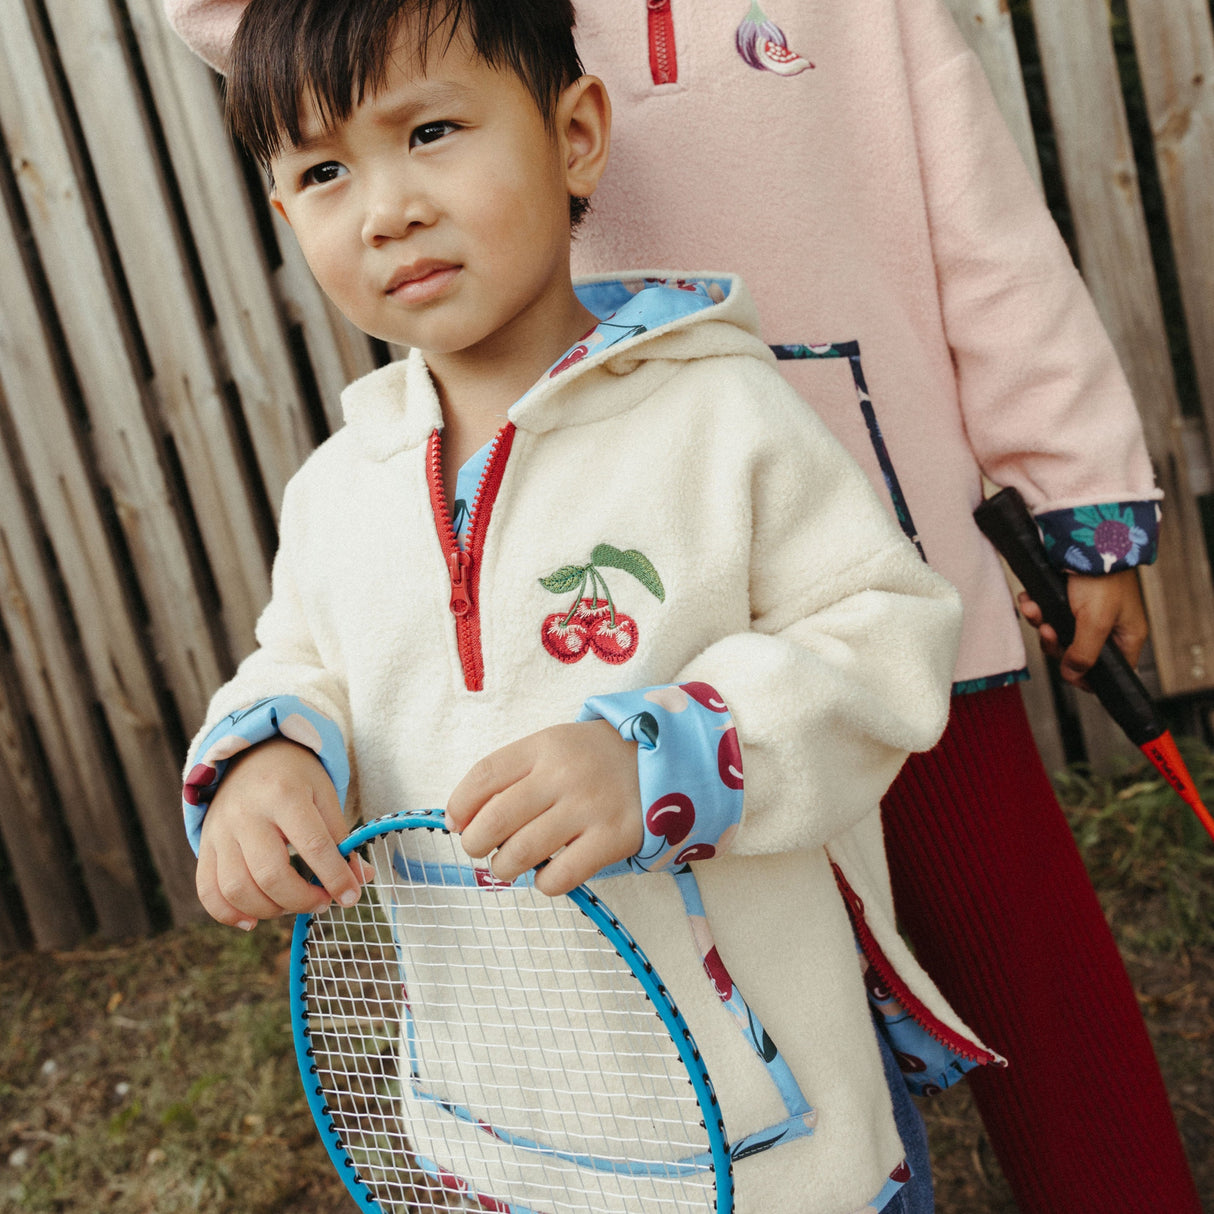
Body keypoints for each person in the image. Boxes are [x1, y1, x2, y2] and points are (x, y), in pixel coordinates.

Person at [161, 1, 1203, 1211]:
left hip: (863, 548)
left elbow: (988, 241)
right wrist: (265, 748)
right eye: (332, 174)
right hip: (576, 551)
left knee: (1017, 986)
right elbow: (306, 648)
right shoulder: (350, 479)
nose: (387, 204)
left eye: (432, 134)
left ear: (575, 136)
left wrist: (1077, 495)